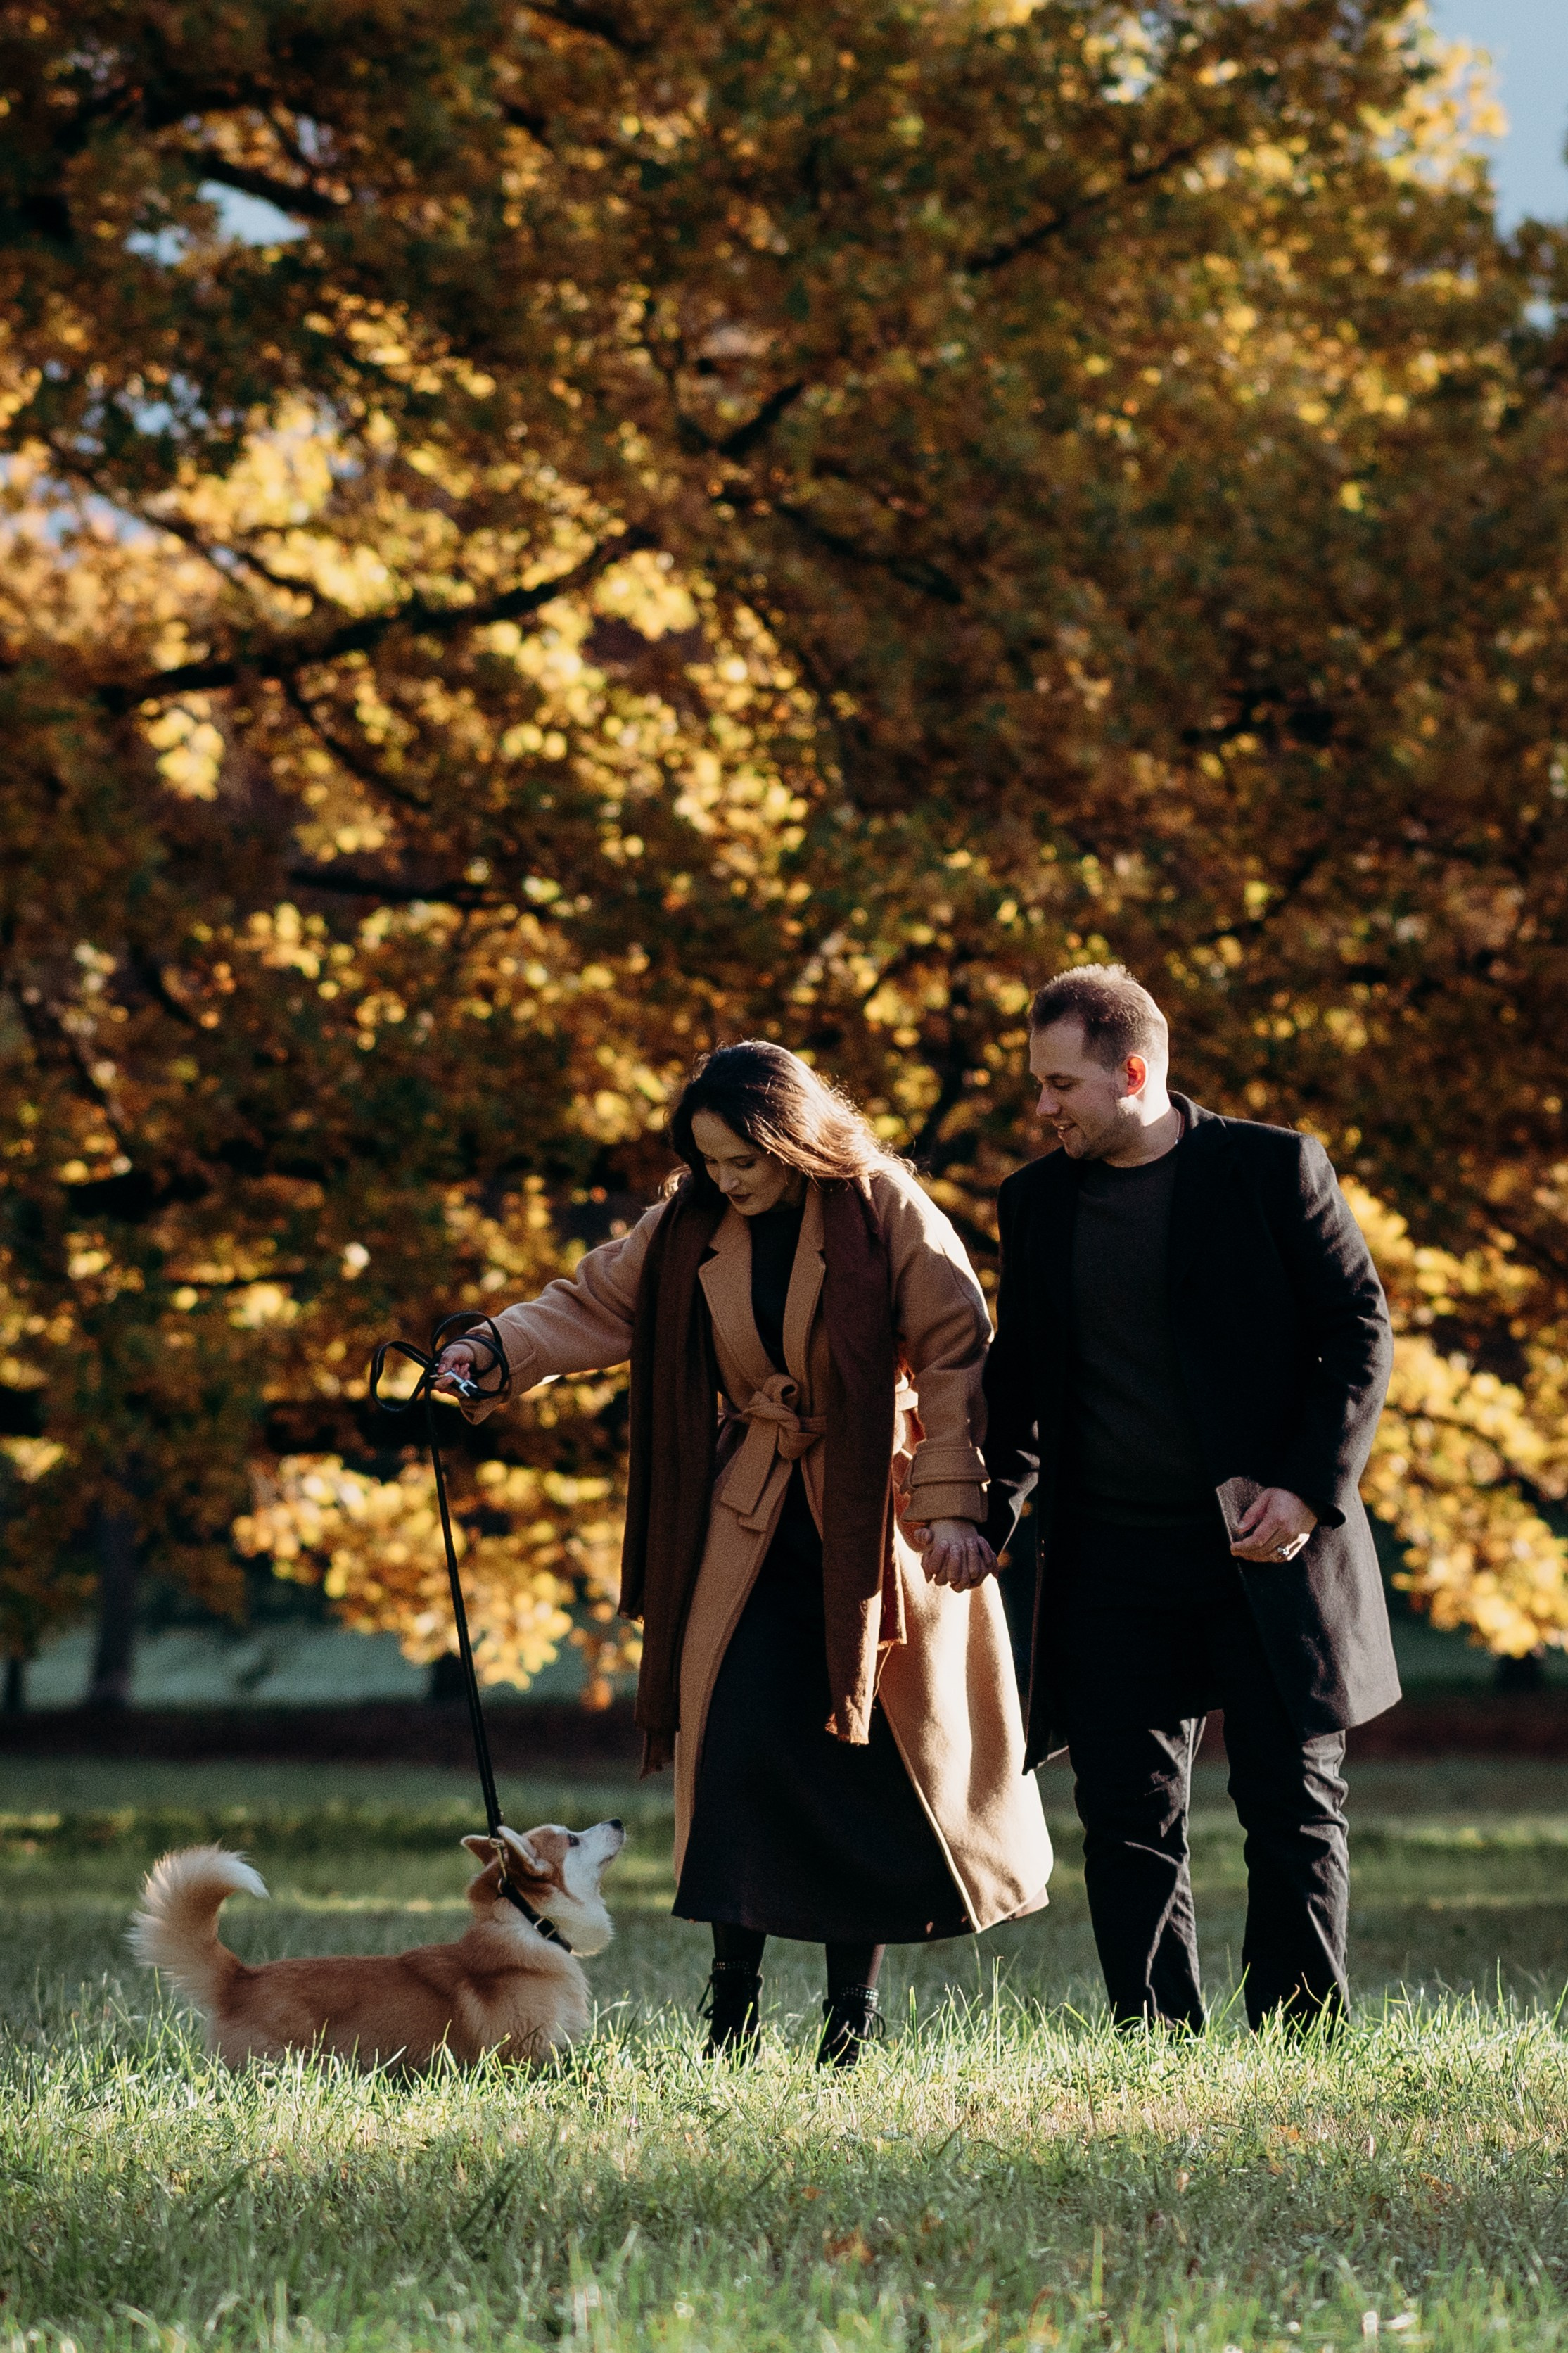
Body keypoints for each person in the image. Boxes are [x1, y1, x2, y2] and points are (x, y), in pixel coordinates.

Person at [438, 1041, 1052, 2067]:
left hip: (874, 1521)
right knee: (732, 1754)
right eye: (710, 1162)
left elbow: (954, 1347)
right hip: (748, 1512)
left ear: (791, 1137)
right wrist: (491, 1351)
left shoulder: (882, 1204)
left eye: (743, 1161)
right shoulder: (686, 1224)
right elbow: (593, 1303)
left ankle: (849, 2022)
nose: (726, 1181)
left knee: (858, 1763)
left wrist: (953, 1504)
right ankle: (730, 2010)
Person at [979, 965, 1398, 2033]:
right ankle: (1153, 2038)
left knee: (1291, 1806)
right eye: (1038, 1083)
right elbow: (1019, 1379)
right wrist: (990, 1510)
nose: (1042, 1107)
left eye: (1060, 1084)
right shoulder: (1032, 1202)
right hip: (1109, 1562)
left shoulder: (1272, 1168)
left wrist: (1308, 1489)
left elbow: (1358, 1329)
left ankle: (1300, 2038)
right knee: (1123, 1816)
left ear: (1133, 1072)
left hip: (1268, 1550)